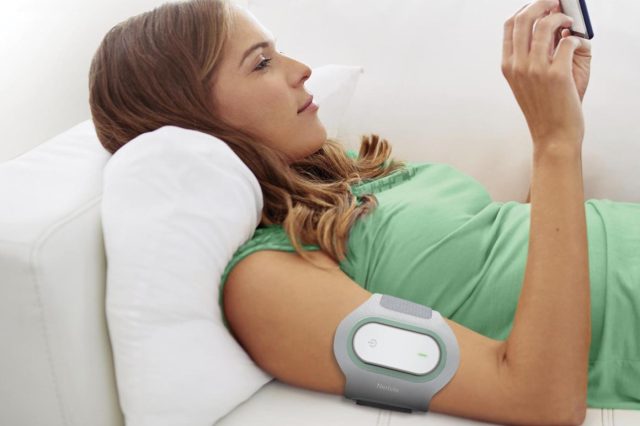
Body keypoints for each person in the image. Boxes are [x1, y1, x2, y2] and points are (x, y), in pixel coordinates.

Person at [88, 0, 640, 424]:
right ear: (194, 119)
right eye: (261, 64)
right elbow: (540, 399)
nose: (301, 69)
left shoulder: (347, 177)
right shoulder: (267, 281)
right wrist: (554, 143)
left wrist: (564, 110)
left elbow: (502, 268)